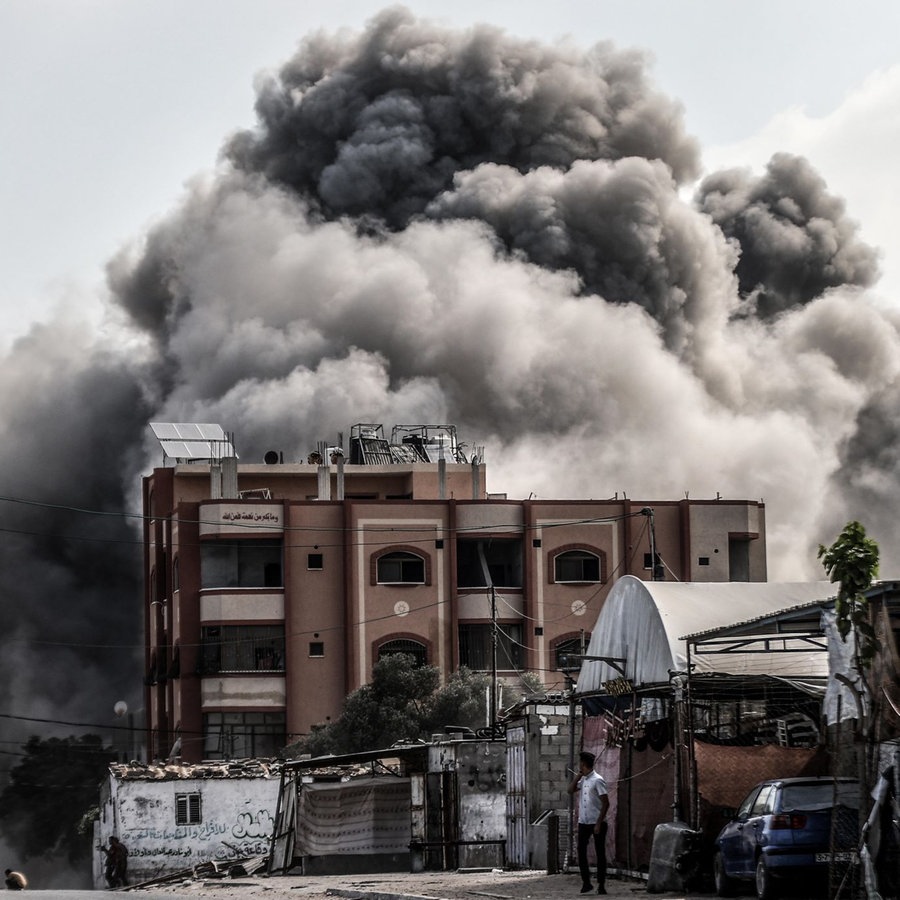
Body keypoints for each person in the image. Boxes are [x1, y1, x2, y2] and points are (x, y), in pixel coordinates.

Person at [567, 750, 610, 894]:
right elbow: (570, 790)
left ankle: (601, 884)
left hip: (596, 822)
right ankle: (586, 883)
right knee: (581, 851)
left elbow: (606, 803)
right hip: (583, 822)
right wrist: (578, 775)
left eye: (580, 763)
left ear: (584, 764)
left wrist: (598, 823)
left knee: (600, 853)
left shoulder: (597, 780)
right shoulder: (584, 780)